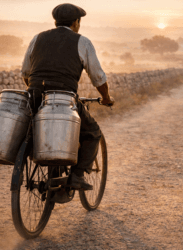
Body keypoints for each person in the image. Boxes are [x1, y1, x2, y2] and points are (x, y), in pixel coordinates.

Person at [21, 3, 114, 190]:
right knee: (92, 132)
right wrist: (106, 98)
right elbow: (97, 77)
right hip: (64, 97)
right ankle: (77, 176)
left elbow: (25, 72)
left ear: (56, 21)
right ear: (76, 22)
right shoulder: (82, 42)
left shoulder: (37, 38)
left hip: (35, 95)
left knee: (32, 128)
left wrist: (36, 91)